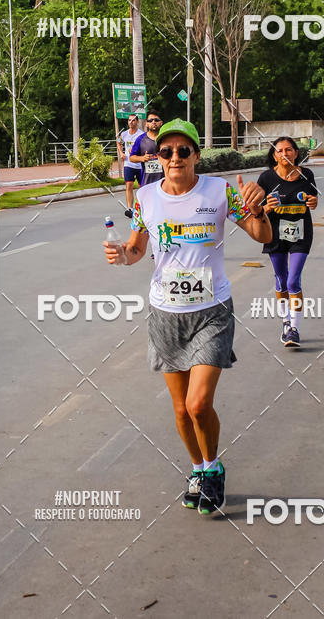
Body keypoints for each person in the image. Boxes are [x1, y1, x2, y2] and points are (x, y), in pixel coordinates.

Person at [103, 118, 271, 517]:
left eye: (183, 151)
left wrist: (259, 210)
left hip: (212, 311)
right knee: (179, 410)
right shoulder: (145, 198)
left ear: (197, 155)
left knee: (198, 405)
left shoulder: (219, 191)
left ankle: (212, 468)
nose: (174, 157)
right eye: (166, 151)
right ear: (157, 157)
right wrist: (122, 256)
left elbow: (261, 235)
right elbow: (137, 248)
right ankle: (198, 469)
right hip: (165, 313)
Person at [257, 137, 318, 347]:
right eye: (280, 150)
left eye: (289, 150)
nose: (285, 153)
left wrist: (313, 201)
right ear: (274, 155)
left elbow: (314, 200)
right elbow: (256, 210)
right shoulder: (266, 178)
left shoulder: (306, 175)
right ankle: (285, 320)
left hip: (301, 234)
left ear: (295, 152)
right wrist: (266, 208)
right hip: (274, 235)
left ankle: (294, 328)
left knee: (293, 281)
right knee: (281, 279)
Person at [117, 114, 145, 218]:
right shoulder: (124, 134)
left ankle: (142, 207)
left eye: (133, 120)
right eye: (129, 120)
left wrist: (137, 151)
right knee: (129, 185)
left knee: (142, 187)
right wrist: (121, 153)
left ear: (137, 122)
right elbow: (119, 142)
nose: (131, 122)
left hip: (139, 164)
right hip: (128, 164)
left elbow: (145, 146)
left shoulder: (142, 134)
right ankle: (130, 209)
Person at [129, 110, 165, 186]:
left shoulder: (166, 138)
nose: (153, 122)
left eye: (156, 120)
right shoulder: (140, 139)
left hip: (165, 182)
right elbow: (131, 157)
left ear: (161, 123)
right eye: (150, 120)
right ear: (146, 124)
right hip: (147, 182)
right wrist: (142, 158)